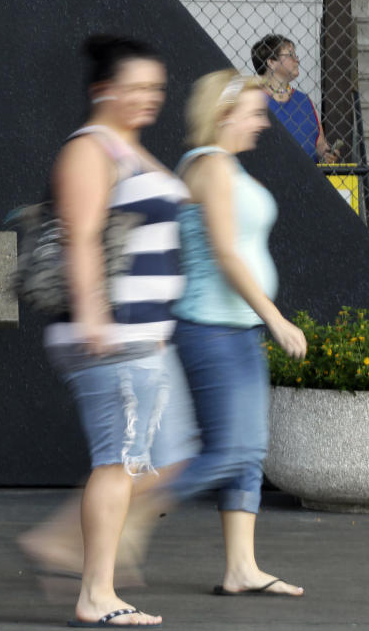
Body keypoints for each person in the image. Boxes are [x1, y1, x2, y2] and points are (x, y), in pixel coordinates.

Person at [38, 35, 193, 628]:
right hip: (114, 335)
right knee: (121, 461)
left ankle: (81, 563)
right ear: (103, 89)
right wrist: (95, 316)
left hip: (145, 335)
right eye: (135, 87)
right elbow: (79, 237)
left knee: (155, 459)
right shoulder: (90, 149)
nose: (148, 97)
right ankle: (96, 594)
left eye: (156, 88)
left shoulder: (130, 147)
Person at [168, 69, 307, 597]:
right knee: (230, 451)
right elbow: (226, 254)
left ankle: (241, 568)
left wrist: (262, 321)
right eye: (254, 113)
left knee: (248, 453)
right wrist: (275, 317)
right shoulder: (209, 167)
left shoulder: (223, 167)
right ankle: (124, 512)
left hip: (238, 329)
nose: (262, 123)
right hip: (212, 328)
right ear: (225, 115)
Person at [250, 34, 338, 163]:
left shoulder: (304, 100)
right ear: (271, 62)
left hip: (307, 176)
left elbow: (319, 144)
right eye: (290, 55)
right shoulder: (252, 99)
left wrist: (326, 153)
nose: (297, 60)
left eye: (295, 55)